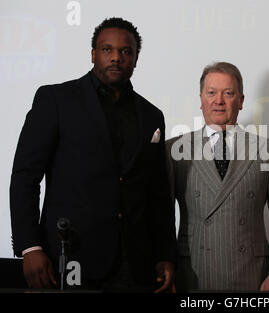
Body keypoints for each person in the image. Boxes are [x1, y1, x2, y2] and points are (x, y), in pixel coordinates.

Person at [9, 17, 176, 292]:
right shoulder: (55, 100)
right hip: (68, 257)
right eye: (107, 50)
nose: (116, 58)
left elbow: (157, 193)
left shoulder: (151, 115)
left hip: (134, 264)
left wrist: (165, 254)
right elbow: (25, 177)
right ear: (93, 54)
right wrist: (30, 246)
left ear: (136, 58)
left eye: (126, 51)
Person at [166, 62, 269, 291]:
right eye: (211, 93)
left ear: (241, 100)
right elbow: (161, 218)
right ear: (201, 99)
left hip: (253, 274)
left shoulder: (267, 149)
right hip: (193, 272)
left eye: (228, 93)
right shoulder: (175, 151)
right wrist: (164, 264)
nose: (219, 100)